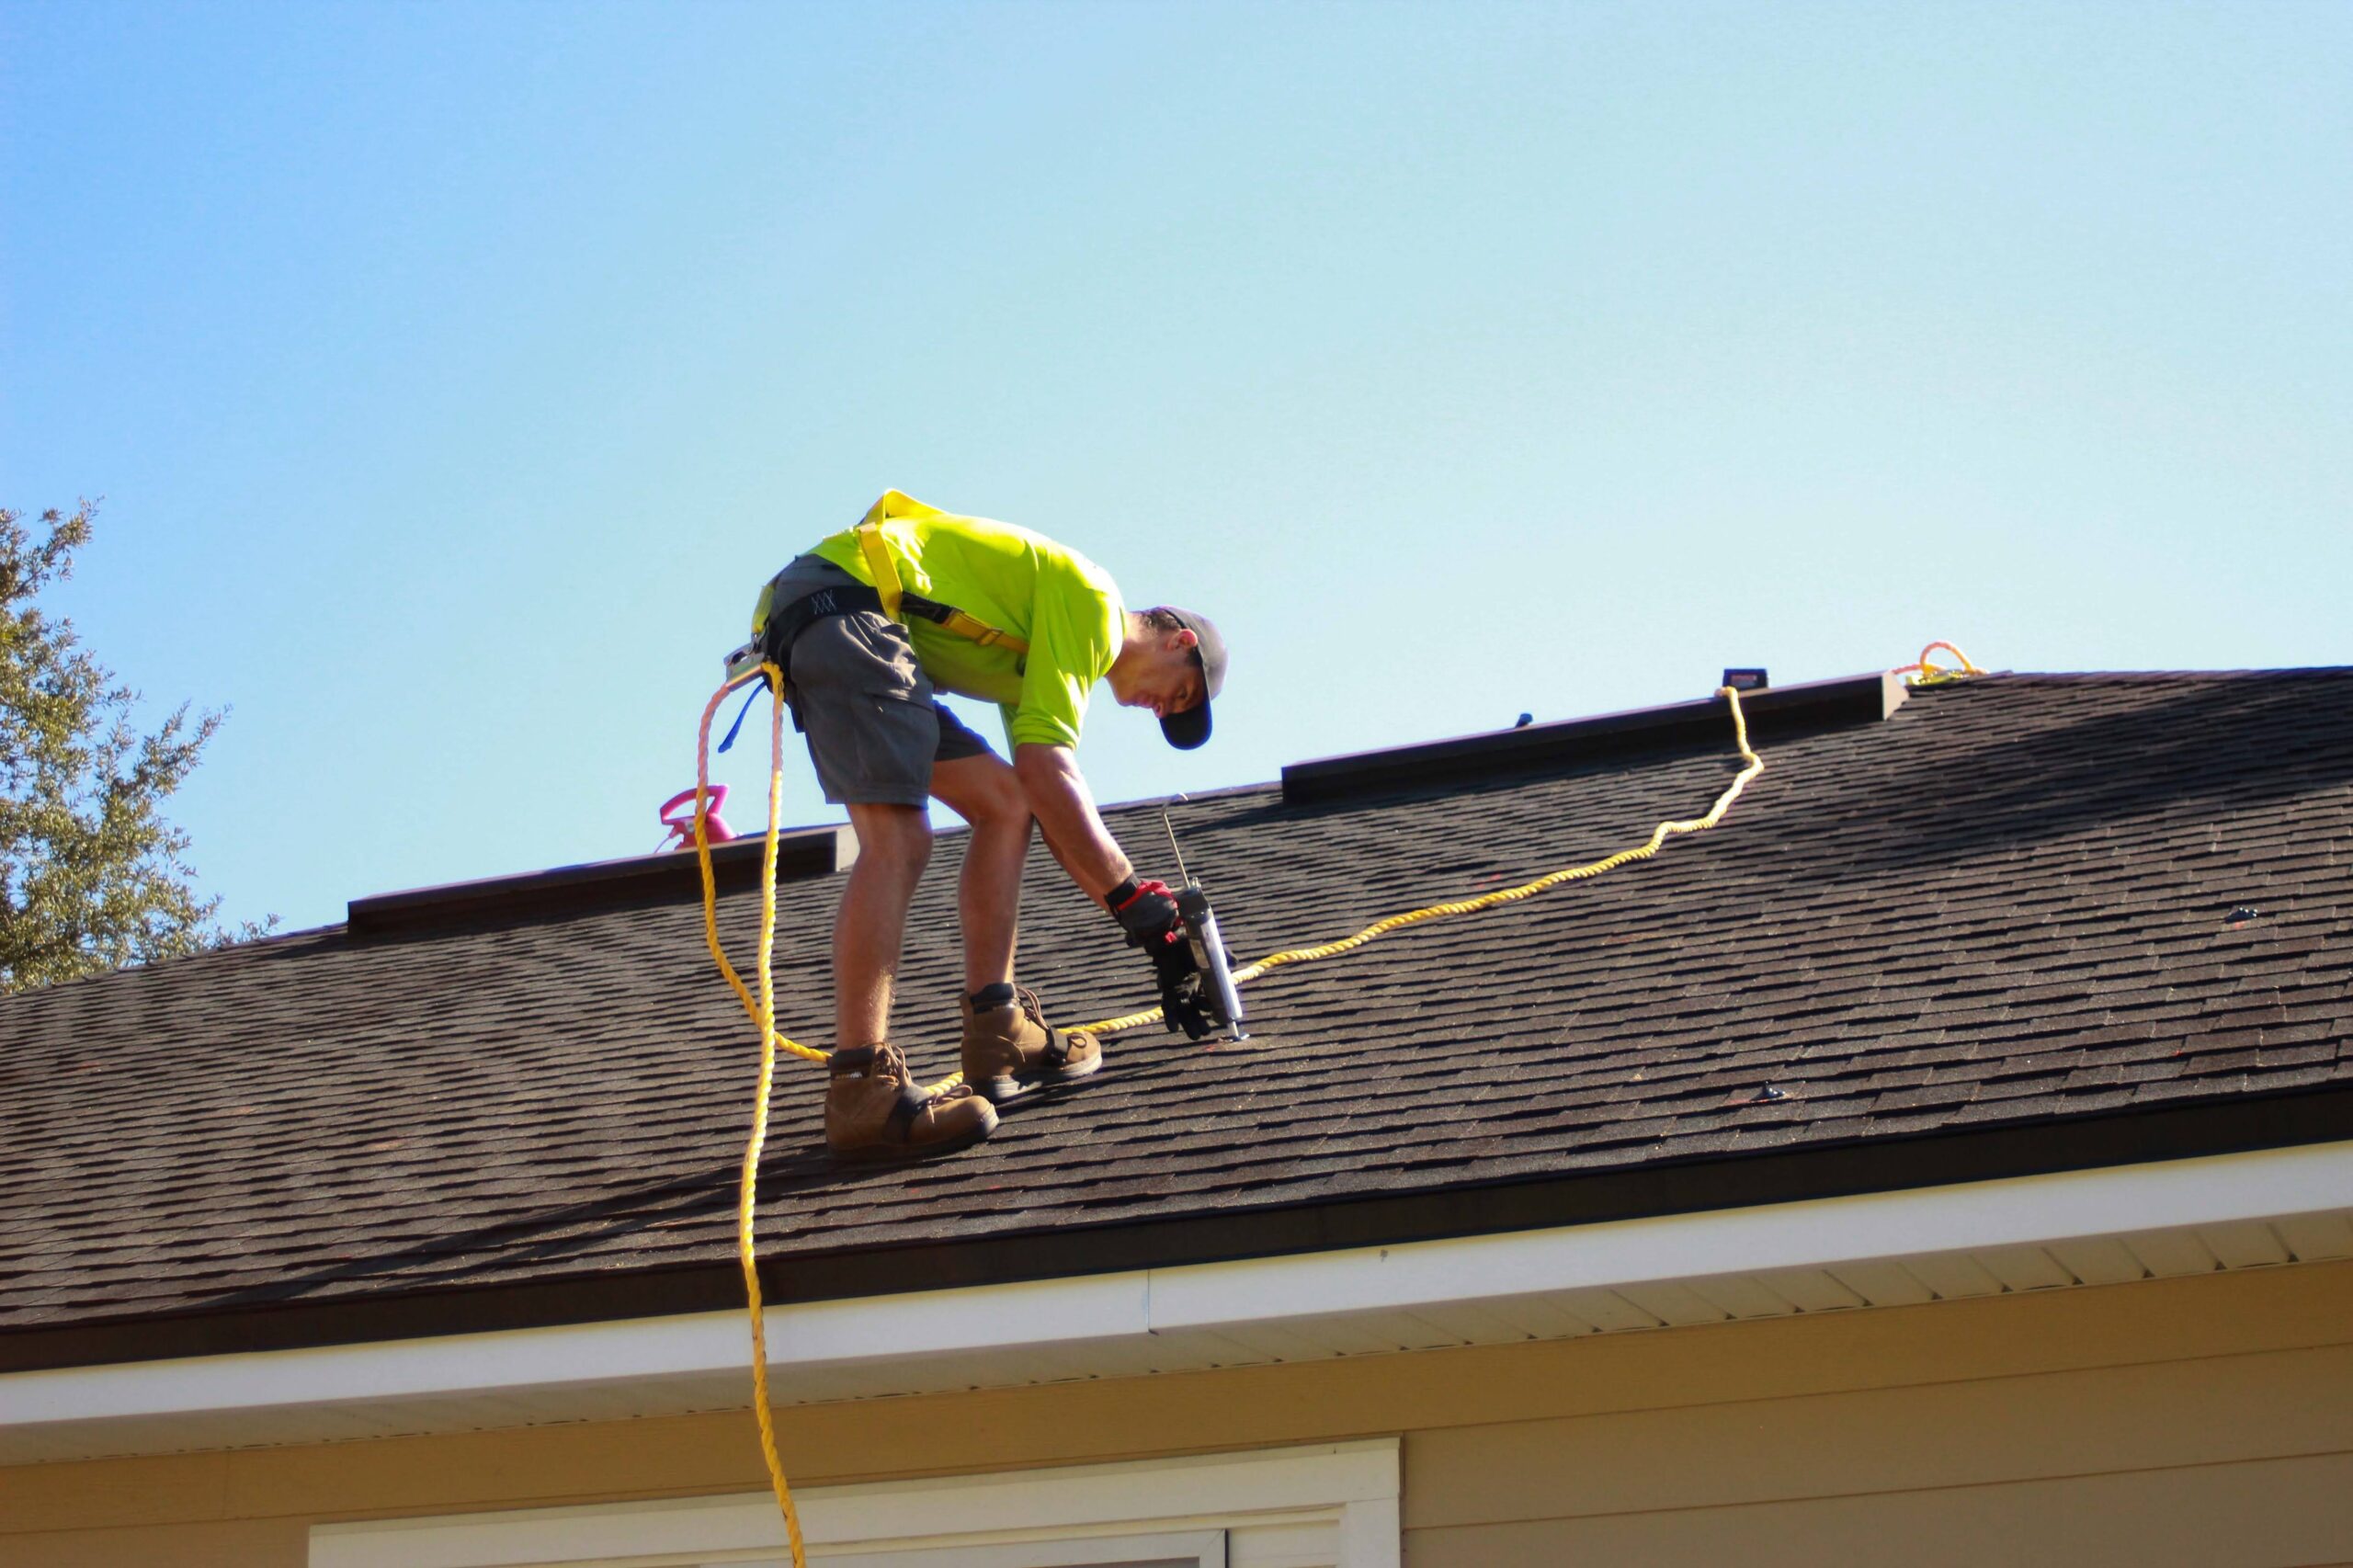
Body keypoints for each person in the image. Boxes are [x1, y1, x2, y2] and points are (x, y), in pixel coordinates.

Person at [745, 490, 1229, 1163]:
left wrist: (1135, 910)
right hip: (845, 611)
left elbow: (1039, 788)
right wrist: (1133, 901)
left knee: (1005, 804)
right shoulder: (1092, 602)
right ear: (1180, 640)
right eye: (1178, 692)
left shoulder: (1041, 654)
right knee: (898, 838)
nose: (1159, 708)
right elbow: (1054, 769)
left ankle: (996, 1027)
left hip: (852, 623)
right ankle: (859, 1088)